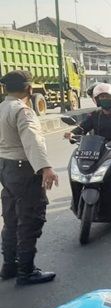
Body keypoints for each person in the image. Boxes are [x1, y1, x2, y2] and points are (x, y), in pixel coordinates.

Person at [0, 70, 58, 285]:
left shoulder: (2, 107)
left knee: (11, 217)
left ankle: (9, 266)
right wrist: (46, 168)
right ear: (29, 89)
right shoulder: (22, 110)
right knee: (30, 218)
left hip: (5, 168)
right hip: (24, 169)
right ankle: (26, 271)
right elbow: (32, 140)